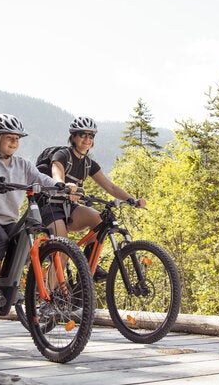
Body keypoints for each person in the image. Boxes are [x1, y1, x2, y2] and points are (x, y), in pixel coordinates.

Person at [0, 113, 69, 309]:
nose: (14, 142)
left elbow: (41, 178)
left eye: (17, 139)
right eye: (9, 138)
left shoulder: (23, 164)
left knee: (22, 245)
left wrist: (60, 185)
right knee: (1, 240)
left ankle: (8, 286)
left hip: (9, 220)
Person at [40, 116, 147, 281]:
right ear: (73, 137)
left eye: (91, 136)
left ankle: (89, 267)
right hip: (50, 207)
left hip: (70, 207)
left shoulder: (88, 163)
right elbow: (56, 171)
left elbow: (110, 187)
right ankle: (49, 299)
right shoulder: (63, 155)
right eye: (82, 135)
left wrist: (131, 200)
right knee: (63, 251)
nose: (87, 139)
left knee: (98, 219)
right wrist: (62, 184)